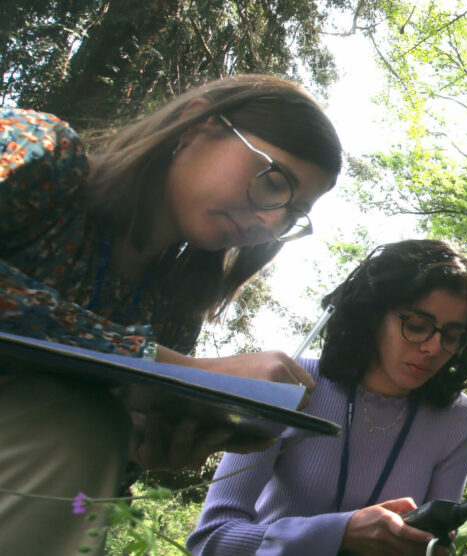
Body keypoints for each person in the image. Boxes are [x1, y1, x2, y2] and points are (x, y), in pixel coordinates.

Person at [0, 75, 342, 554]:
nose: (270, 221)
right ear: (193, 124)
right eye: (274, 182)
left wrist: (136, 450)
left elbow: (80, 499)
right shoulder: (41, 150)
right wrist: (180, 369)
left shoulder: (173, 312)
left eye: (292, 215)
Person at [187, 239, 467, 556]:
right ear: (373, 314)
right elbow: (211, 539)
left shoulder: (459, 419)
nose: (433, 348)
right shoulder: (290, 384)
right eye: (417, 325)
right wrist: (339, 534)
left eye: (452, 336)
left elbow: (435, 544)